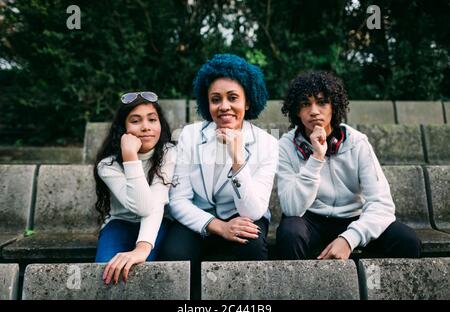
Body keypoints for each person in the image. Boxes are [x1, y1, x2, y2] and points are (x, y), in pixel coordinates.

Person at [159, 54, 278, 296]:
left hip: (243, 214)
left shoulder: (267, 144)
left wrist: (237, 161)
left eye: (233, 98)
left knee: (252, 247)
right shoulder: (189, 136)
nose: (224, 106)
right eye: (215, 99)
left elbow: (254, 212)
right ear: (207, 104)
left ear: (247, 102)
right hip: (199, 217)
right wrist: (219, 227)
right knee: (174, 255)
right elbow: (178, 201)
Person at [276, 71, 421, 260]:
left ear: (334, 106)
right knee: (289, 233)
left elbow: (381, 204)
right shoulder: (285, 146)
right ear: (296, 110)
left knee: (407, 240)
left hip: (354, 218)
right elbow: (291, 209)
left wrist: (349, 238)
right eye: (305, 104)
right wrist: (316, 158)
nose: (313, 111)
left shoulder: (357, 142)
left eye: (321, 102)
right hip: (310, 220)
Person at [94, 91, 177, 285]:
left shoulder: (168, 153)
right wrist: (130, 156)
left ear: (160, 124)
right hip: (120, 223)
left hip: (159, 222)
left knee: (141, 273)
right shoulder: (108, 165)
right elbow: (140, 206)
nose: (146, 127)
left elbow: (153, 205)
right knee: (106, 274)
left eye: (152, 119)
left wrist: (142, 248)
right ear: (123, 127)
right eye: (136, 120)